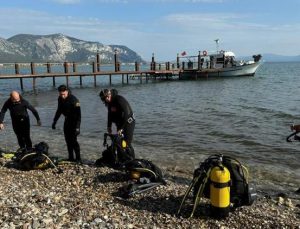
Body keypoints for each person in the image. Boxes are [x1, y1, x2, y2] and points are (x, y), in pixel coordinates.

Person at [52, 85, 81, 163]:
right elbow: (59, 110)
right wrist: (54, 121)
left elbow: (79, 116)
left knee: (74, 141)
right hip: (67, 121)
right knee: (68, 140)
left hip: (74, 122)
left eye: (64, 94)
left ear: (67, 91)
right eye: (61, 94)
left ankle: (78, 158)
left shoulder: (74, 100)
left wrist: (78, 127)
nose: (62, 96)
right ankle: (71, 157)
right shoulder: (60, 99)